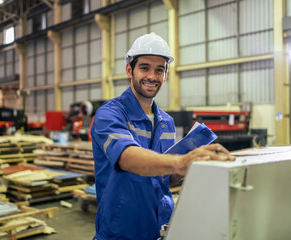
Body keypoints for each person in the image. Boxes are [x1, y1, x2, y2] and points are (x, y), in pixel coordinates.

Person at [90, 32, 235, 240]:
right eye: (145, 67)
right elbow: (127, 157)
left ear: (166, 75)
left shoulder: (166, 122)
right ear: (129, 69)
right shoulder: (110, 114)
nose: (152, 76)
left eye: (160, 70)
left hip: (159, 227)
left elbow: (163, 176)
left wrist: (196, 165)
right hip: (120, 230)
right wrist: (180, 162)